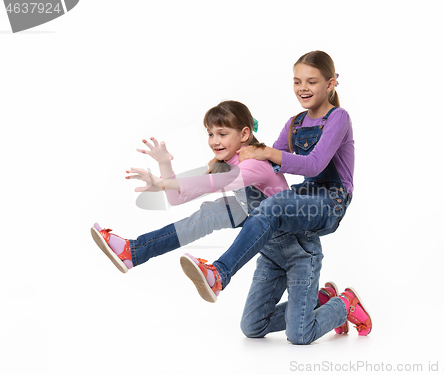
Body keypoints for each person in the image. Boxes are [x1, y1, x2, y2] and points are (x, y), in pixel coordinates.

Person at [181, 51, 372, 344]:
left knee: (300, 335)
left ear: (331, 84)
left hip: (331, 199)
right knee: (252, 327)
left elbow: (314, 165)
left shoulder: (339, 118)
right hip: (304, 199)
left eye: (312, 81)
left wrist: (268, 152)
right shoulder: (295, 122)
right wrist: (228, 158)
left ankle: (343, 303)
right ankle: (320, 299)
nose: (303, 88)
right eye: (297, 81)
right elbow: (266, 164)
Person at [90, 100, 289, 280]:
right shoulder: (224, 164)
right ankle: (133, 252)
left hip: (289, 235)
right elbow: (177, 198)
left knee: (219, 210)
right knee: (210, 213)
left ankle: (219, 275)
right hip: (263, 226)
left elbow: (221, 182)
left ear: (244, 134)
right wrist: (164, 164)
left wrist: (163, 183)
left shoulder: (254, 163)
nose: (214, 141)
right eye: (210, 134)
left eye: (222, 134)